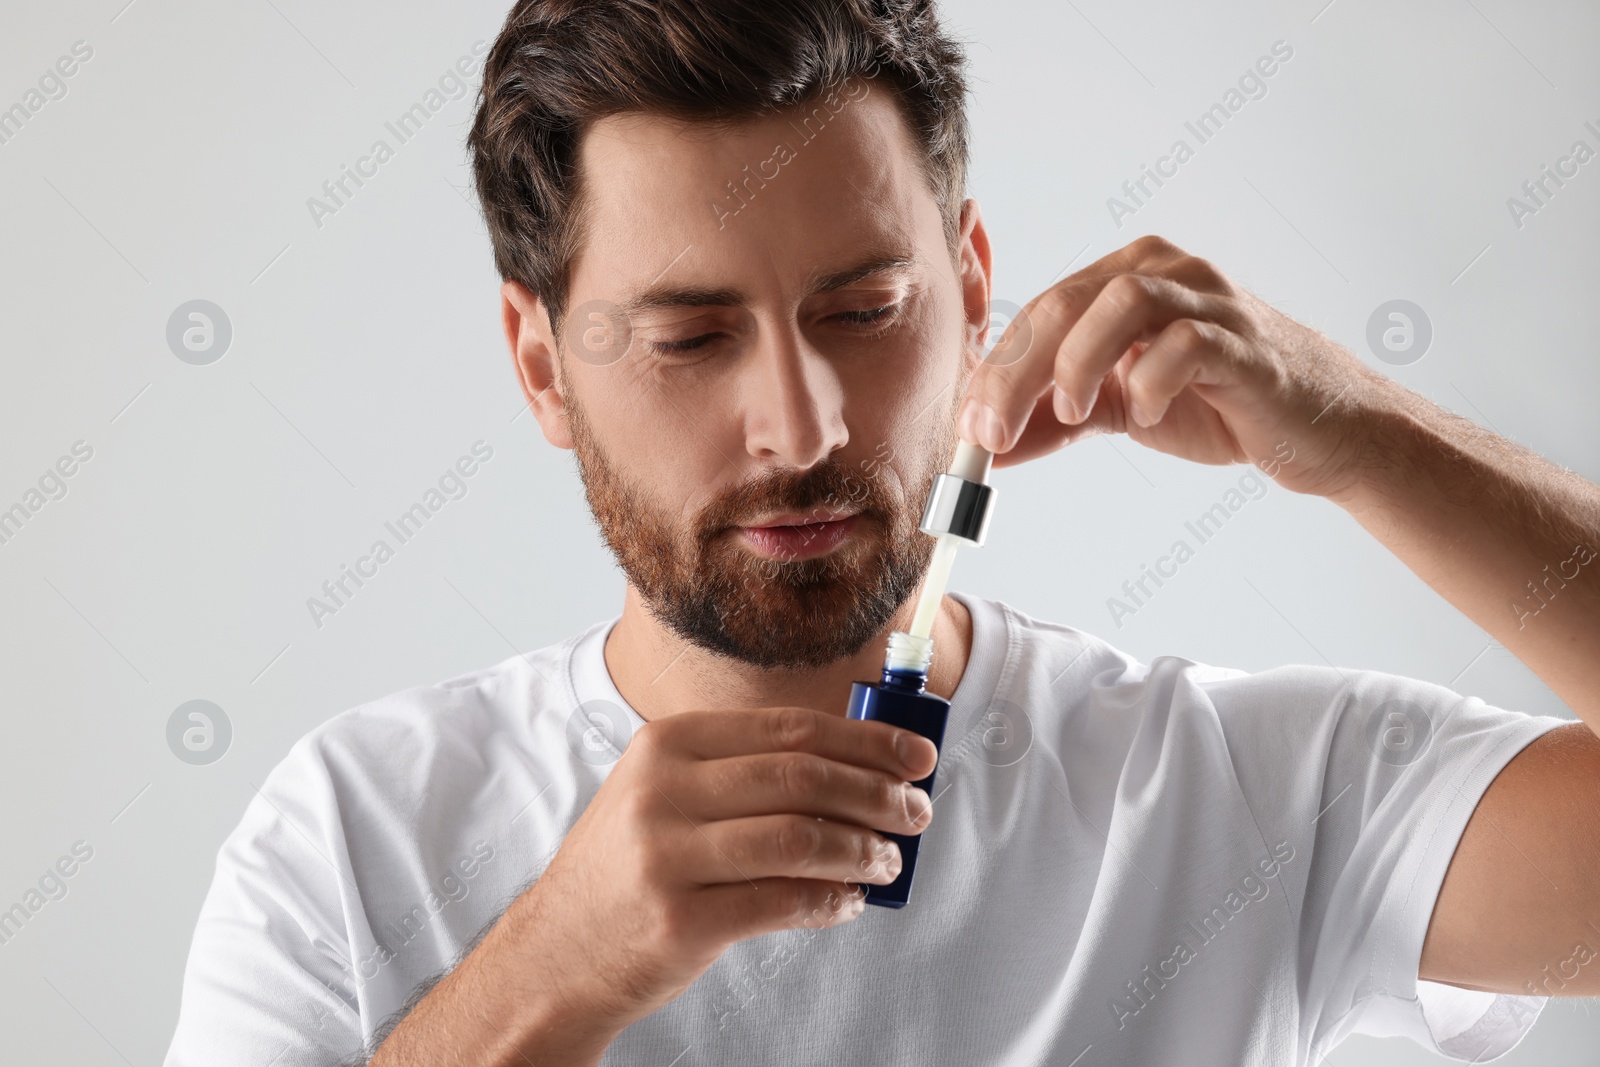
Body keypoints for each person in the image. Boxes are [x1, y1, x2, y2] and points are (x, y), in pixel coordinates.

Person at [163, 1, 1600, 1064]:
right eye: (689, 337)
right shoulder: (352, 841)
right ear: (541, 364)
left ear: (974, 284)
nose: (803, 427)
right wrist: (560, 967)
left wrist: (1361, 436)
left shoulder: (1239, 795)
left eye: (865, 313)